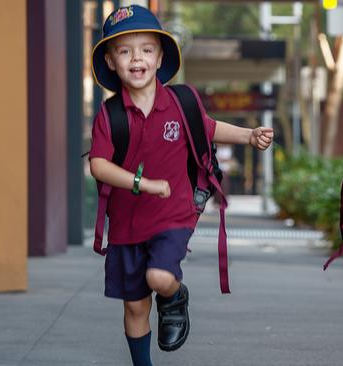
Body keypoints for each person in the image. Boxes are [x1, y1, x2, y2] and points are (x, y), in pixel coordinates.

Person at [88, 5, 273, 365]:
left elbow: (209, 128)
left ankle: (174, 295)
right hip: (126, 225)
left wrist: (250, 135)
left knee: (159, 276)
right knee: (135, 306)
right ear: (111, 62)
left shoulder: (181, 101)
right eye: (124, 51)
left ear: (160, 56)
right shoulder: (109, 115)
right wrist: (142, 183)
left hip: (172, 216)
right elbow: (98, 165)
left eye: (146, 49)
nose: (136, 58)